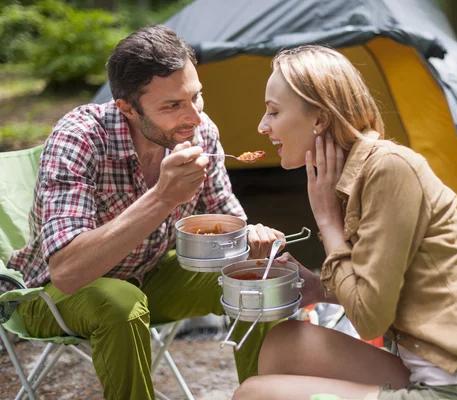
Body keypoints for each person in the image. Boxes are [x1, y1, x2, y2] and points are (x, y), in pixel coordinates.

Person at [232, 45, 457, 400]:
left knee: (254, 394)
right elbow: (384, 291)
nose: (262, 126)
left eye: (273, 112)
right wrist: (317, 288)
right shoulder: (355, 177)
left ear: (319, 119)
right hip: (421, 367)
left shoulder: (389, 169)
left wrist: (327, 220)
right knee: (285, 343)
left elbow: (370, 319)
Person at [0, 25, 284, 399]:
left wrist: (252, 239)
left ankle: (264, 394)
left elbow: (223, 217)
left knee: (253, 277)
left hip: (148, 274)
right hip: (54, 296)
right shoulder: (80, 138)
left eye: (196, 97)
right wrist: (163, 198)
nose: (194, 118)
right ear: (127, 108)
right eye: (172, 106)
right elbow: (67, 273)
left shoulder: (197, 132)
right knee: (121, 303)